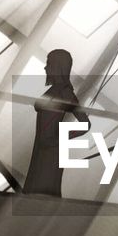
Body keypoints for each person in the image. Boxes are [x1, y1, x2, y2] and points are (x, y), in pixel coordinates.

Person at [23, 48, 89, 196]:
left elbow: (85, 124)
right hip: (41, 148)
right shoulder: (55, 90)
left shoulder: (66, 92)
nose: (45, 67)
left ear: (58, 67)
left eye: (49, 64)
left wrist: (60, 138)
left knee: (43, 192)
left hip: (52, 150)